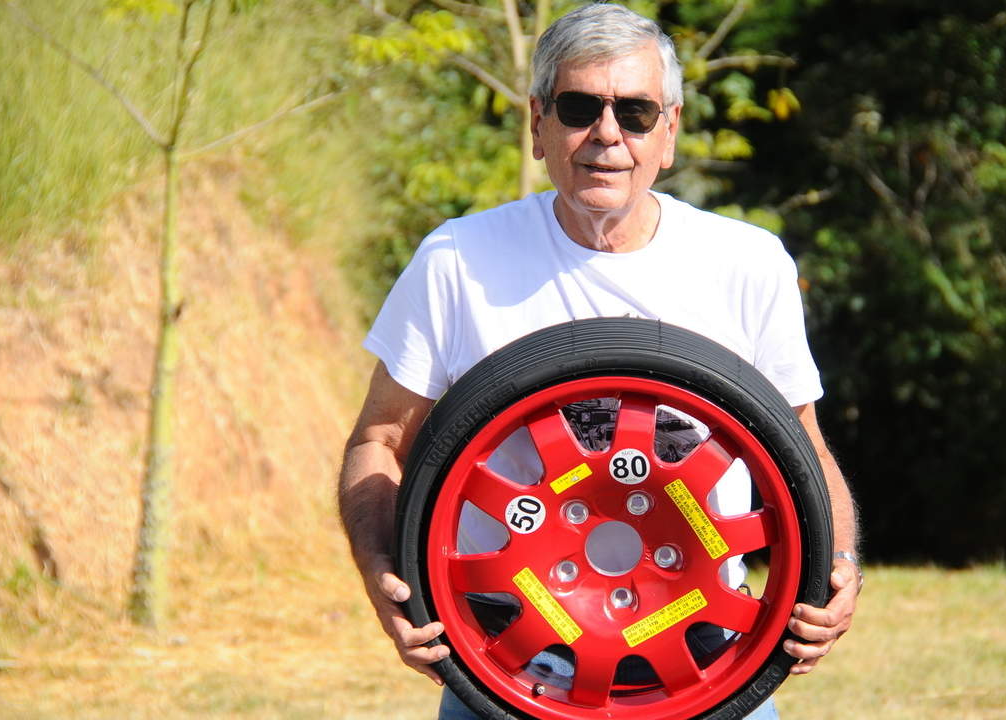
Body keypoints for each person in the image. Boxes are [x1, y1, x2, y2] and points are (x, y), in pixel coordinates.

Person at [337, 4, 861, 719]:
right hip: (505, 656)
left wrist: (838, 566)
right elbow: (379, 442)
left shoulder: (746, 265)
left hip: (703, 654)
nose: (608, 134)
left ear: (669, 132)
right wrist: (382, 574)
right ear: (538, 124)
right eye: (580, 108)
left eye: (636, 113)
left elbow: (803, 449)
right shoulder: (458, 262)